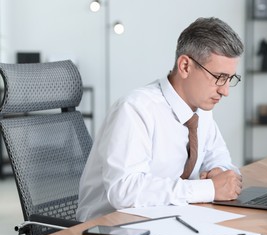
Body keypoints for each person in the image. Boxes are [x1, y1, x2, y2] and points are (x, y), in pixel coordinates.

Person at [76, 17, 244, 221]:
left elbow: (220, 160)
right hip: (109, 230)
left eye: (230, 79)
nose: (225, 90)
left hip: (168, 220)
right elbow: (125, 191)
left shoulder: (202, 110)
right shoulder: (135, 109)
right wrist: (207, 189)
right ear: (185, 66)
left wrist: (217, 173)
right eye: (219, 77)